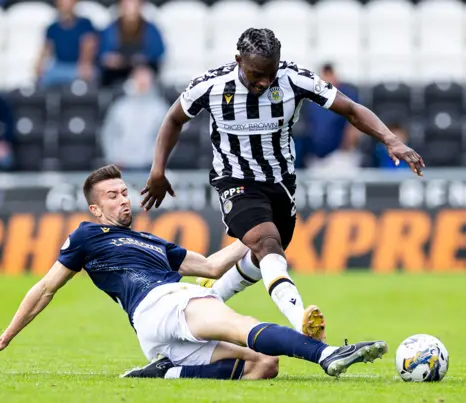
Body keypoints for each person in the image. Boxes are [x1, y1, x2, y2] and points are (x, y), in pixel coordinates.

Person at [0, 164, 388, 381]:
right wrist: (5, 338)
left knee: (265, 365)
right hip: (161, 304)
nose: (123, 201)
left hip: (159, 331)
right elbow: (44, 288)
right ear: (96, 209)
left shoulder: (154, 243)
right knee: (239, 323)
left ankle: (167, 372)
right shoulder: (87, 235)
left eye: (125, 193)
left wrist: (259, 233)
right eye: (112, 196)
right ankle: (327, 355)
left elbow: (209, 265)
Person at [140, 28, 425, 342]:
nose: (264, 82)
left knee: (265, 254)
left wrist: (390, 139)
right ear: (238, 61)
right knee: (266, 243)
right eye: (256, 74)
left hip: (280, 185)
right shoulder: (210, 85)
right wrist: (158, 170)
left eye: (270, 74)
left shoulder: (294, 79)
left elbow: (351, 109)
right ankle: (302, 322)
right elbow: (173, 119)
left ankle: (209, 298)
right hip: (235, 180)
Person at [100, 63, 169, 170]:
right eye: (139, 78)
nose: (142, 82)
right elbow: (109, 134)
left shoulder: (160, 109)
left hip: (149, 167)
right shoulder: (119, 107)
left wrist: (155, 160)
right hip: (121, 166)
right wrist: (113, 158)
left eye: (146, 78)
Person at [98, 0, 165, 87]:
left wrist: (143, 58)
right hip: (115, 74)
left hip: (142, 71)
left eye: (135, 5)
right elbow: (101, 52)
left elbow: (158, 51)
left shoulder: (150, 28)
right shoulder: (111, 29)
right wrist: (111, 59)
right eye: (127, 6)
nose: (131, 10)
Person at [35, 0, 97, 87]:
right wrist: (39, 68)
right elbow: (46, 50)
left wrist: (85, 65)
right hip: (59, 66)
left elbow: (89, 46)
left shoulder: (85, 24)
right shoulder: (52, 28)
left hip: (76, 66)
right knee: (45, 80)